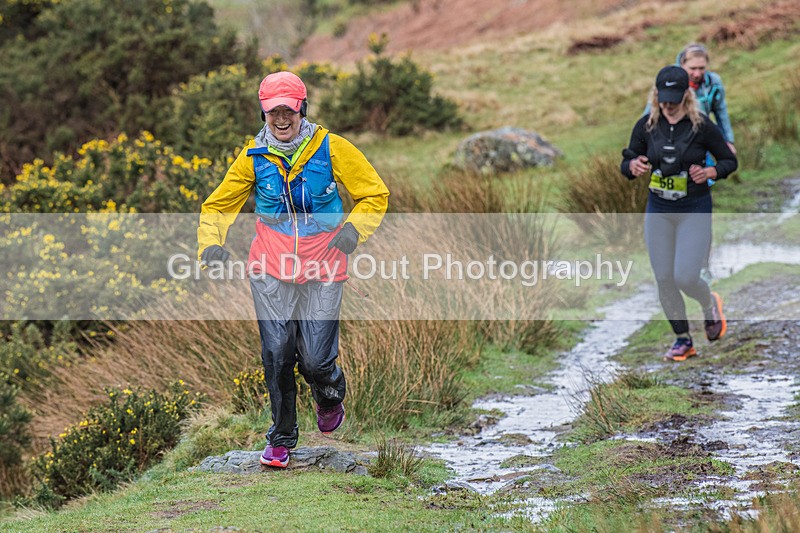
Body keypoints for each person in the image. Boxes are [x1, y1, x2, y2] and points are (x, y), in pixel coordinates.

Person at [197, 71, 389, 467]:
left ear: (303, 107)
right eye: (273, 112)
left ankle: (329, 392)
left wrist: (355, 230)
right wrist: (211, 244)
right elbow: (216, 206)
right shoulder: (253, 157)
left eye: (289, 110)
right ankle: (281, 437)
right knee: (277, 353)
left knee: (316, 359)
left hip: (324, 263)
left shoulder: (332, 147)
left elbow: (374, 193)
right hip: (270, 266)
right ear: (263, 113)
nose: (282, 119)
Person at [621, 65, 737, 361]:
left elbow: (729, 160)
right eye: (664, 98)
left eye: (675, 98)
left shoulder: (702, 126)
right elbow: (629, 158)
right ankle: (683, 340)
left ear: (687, 95)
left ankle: (709, 303)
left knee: (685, 276)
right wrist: (632, 167)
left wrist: (712, 170)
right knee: (663, 278)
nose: (669, 105)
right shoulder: (646, 125)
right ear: (656, 95)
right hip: (658, 209)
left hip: (694, 209)